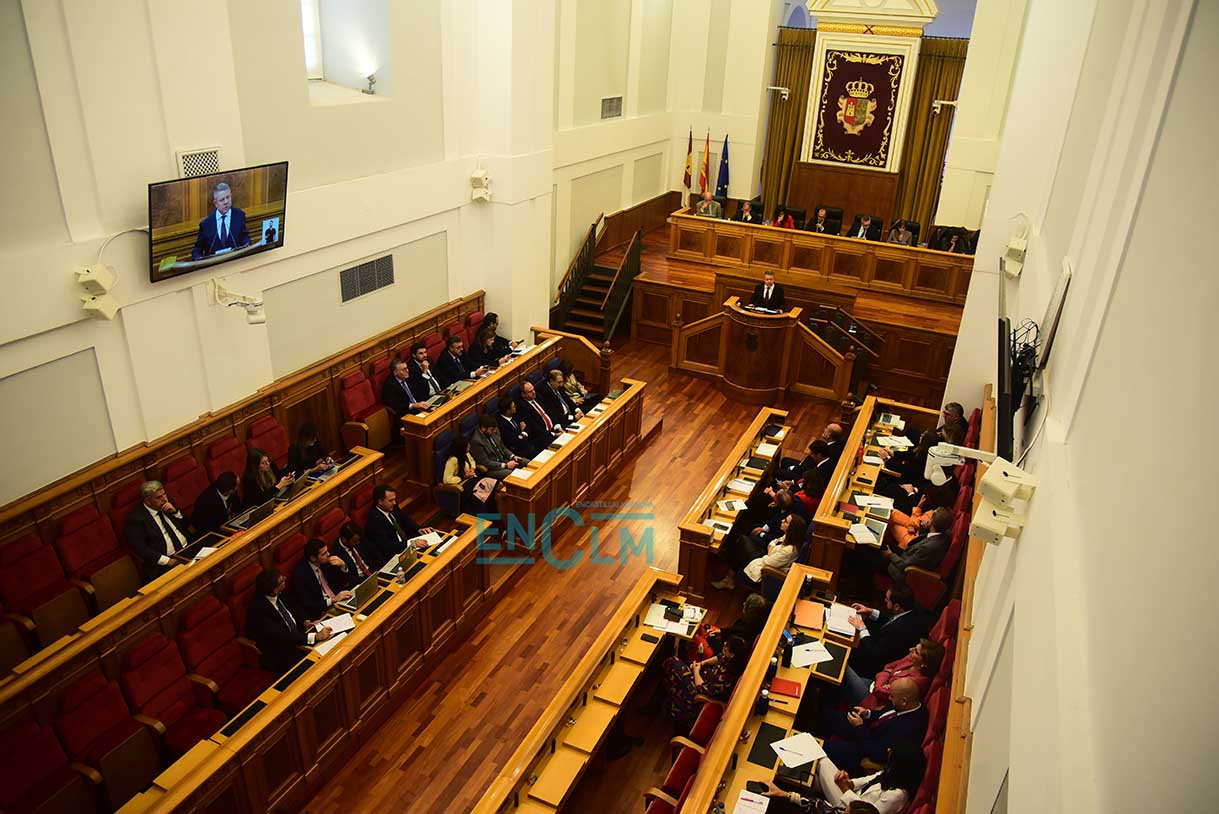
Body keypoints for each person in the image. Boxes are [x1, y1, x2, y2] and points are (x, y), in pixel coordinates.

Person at [762, 742, 924, 814]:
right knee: (817, 775)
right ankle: (781, 779)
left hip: (849, 802)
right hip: (850, 801)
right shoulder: (891, 774)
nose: (888, 750)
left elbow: (867, 811)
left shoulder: (896, 796)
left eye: (892, 754)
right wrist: (849, 782)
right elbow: (870, 780)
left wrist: (846, 791)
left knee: (821, 761)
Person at [823, 678, 928, 774]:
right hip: (868, 729)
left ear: (903, 701)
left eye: (891, 696)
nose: (889, 698)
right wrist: (868, 713)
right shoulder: (912, 704)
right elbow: (886, 713)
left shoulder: (906, 730)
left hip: (864, 750)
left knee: (824, 747)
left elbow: (877, 753)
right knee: (828, 715)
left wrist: (859, 727)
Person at [246, 569, 333, 676]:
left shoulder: (281, 593)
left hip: (299, 635)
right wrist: (314, 637)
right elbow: (282, 636)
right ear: (274, 590)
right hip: (283, 651)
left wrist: (305, 621)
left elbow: (295, 606)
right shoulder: (258, 610)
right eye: (282, 581)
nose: (285, 579)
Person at [843, 586, 929, 680]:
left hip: (877, 663)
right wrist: (870, 611)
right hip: (886, 642)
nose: (884, 600)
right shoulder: (912, 607)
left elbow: (874, 653)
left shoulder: (898, 631)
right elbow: (892, 619)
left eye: (887, 600)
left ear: (897, 606)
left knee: (847, 650)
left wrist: (862, 628)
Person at [662, 634, 746, 729]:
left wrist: (696, 671)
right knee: (680, 662)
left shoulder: (725, 678)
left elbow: (701, 688)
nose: (724, 644)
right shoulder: (731, 658)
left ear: (732, 654)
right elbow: (719, 657)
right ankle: (669, 698)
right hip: (704, 675)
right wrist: (702, 663)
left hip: (699, 693)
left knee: (672, 662)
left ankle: (671, 702)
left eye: (727, 646)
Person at [125, 480, 192, 581]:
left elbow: (187, 524)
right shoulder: (136, 519)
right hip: (166, 563)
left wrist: (175, 512)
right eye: (158, 497)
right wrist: (168, 561)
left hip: (188, 548)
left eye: (164, 494)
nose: (164, 499)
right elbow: (141, 549)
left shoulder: (168, 503)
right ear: (147, 501)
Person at [856, 638, 945, 710]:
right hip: (873, 685)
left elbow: (879, 691)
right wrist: (886, 676)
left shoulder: (917, 682)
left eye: (916, 652)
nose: (910, 649)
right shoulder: (911, 659)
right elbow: (888, 666)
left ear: (924, 664)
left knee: (845, 672)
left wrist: (885, 676)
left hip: (874, 701)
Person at [882, 507, 953, 585]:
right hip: (910, 553)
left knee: (875, 553)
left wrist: (890, 555)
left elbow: (905, 565)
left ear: (931, 521)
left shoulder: (927, 548)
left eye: (931, 516)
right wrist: (924, 527)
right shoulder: (945, 534)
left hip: (904, 571)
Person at [363, 484, 433, 563]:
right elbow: (386, 546)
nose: (395, 503)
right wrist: (411, 543)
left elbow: (404, 518)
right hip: (395, 555)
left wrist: (419, 529)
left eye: (394, 499)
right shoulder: (374, 521)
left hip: (407, 544)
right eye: (391, 500)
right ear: (380, 502)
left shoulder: (391, 506)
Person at [292, 538, 353, 622]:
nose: (329, 554)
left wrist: (343, 566)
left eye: (327, 551)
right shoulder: (301, 575)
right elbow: (308, 604)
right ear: (313, 558)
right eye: (324, 554)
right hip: (323, 611)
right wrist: (332, 600)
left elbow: (344, 583)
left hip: (339, 601)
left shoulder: (326, 562)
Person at [191, 182, 251, 260]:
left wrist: (248, 246)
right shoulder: (206, 224)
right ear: (215, 203)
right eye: (222, 200)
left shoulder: (239, 215)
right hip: (214, 267)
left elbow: (245, 237)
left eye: (228, 197)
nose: (226, 202)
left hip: (235, 262)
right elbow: (197, 249)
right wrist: (198, 260)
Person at [743, 514, 807, 585]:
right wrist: (770, 550)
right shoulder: (788, 536)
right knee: (745, 541)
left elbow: (767, 562)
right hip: (768, 558)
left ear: (791, 528)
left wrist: (770, 550)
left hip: (766, 573)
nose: (782, 520)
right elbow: (773, 542)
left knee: (743, 540)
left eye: (785, 521)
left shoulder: (788, 551)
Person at [443, 435, 497, 514]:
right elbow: (446, 479)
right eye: (467, 447)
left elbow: (472, 461)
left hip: (472, 478)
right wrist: (463, 476)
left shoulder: (466, 453)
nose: (469, 448)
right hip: (464, 485)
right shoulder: (452, 461)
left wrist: (472, 468)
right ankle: (485, 517)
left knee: (491, 486)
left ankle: (494, 513)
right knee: (482, 495)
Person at [469, 415, 524, 480]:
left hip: (504, 460)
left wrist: (512, 456)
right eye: (492, 430)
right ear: (483, 428)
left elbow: (502, 447)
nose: (495, 431)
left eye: (495, 429)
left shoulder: (495, 430)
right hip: (492, 469)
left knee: (525, 462)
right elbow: (485, 462)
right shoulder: (476, 441)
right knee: (512, 474)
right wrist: (505, 465)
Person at [191, 470, 242, 537]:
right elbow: (207, 528)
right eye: (237, 486)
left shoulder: (231, 491)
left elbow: (238, 508)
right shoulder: (206, 503)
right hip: (213, 533)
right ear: (231, 490)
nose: (237, 488)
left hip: (230, 527)